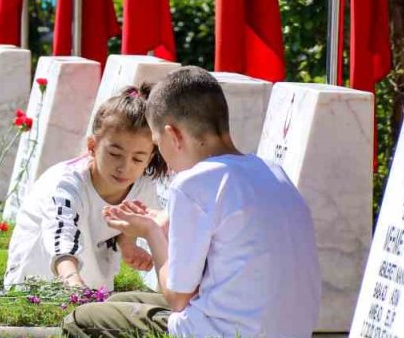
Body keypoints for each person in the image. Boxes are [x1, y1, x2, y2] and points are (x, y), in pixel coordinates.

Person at [63, 66, 320, 338]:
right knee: (116, 304)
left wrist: (151, 232)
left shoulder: (194, 182)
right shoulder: (274, 173)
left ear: (173, 135)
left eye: (156, 142)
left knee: (81, 319)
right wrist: (162, 224)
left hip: (222, 333)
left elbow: (178, 298)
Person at [4, 84, 167, 293]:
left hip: (91, 280)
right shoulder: (65, 184)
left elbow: (134, 218)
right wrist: (73, 282)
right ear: (92, 146)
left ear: (150, 158)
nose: (125, 167)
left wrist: (128, 245)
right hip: (36, 275)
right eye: (115, 154)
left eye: (138, 158)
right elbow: (61, 236)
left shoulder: (143, 184)